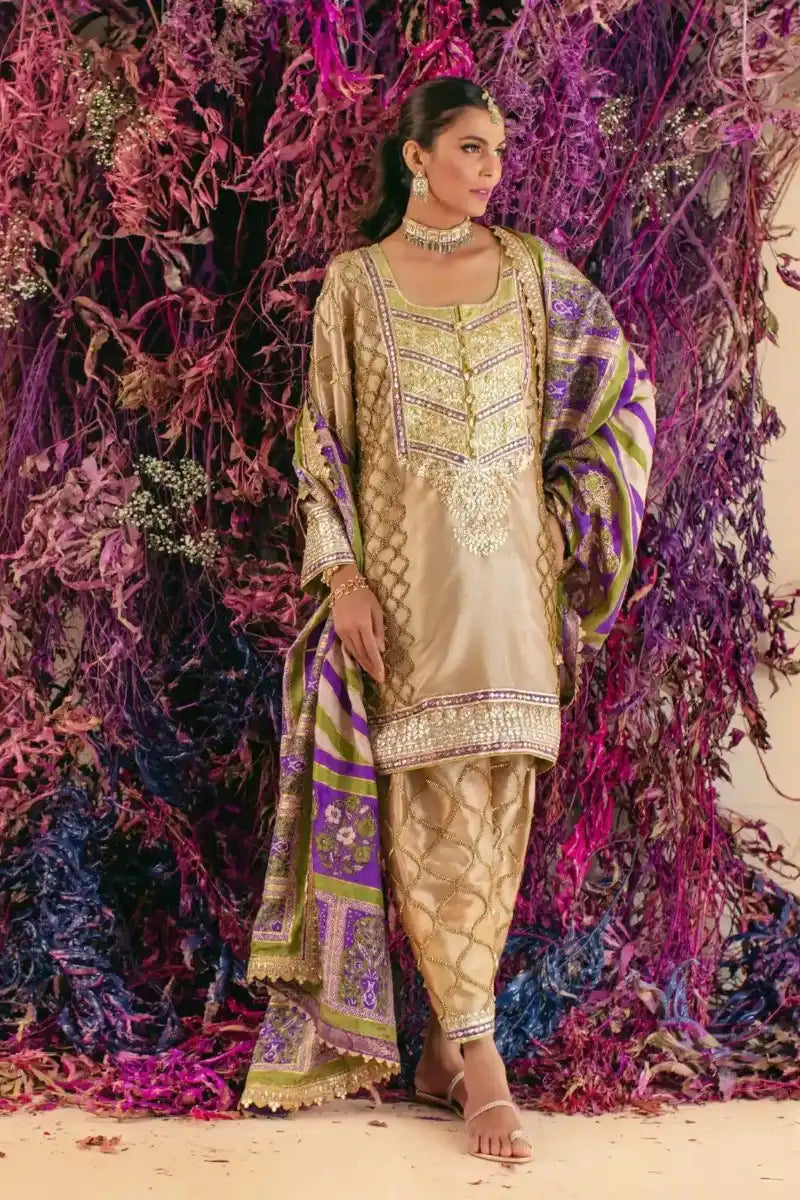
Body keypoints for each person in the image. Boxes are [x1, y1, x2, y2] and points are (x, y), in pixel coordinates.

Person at [240, 76, 656, 1164]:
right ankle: (481, 1058)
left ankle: (440, 1048)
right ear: (415, 157)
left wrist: (560, 525)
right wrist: (342, 577)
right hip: (411, 602)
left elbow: (620, 392)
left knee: (498, 815)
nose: (490, 169)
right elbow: (321, 445)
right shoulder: (355, 286)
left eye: (499, 151)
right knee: (430, 813)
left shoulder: (533, 277)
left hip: (512, 600)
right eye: (470, 147)